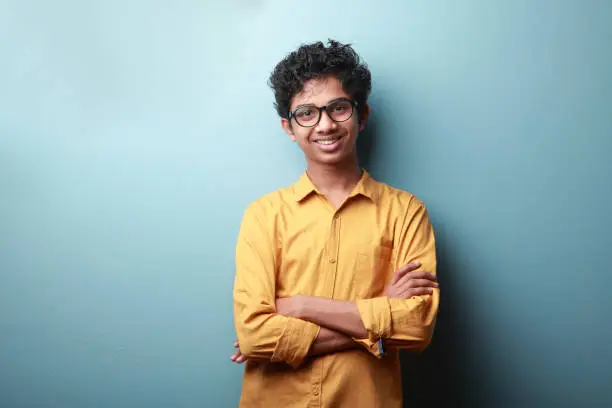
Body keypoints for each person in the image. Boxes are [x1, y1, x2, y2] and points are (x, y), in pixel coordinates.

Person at [230, 39, 440, 408]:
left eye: (338, 108)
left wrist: (299, 306)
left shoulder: (407, 212)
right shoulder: (264, 215)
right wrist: (375, 322)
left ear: (362, 115)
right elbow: (253, 335)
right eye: (307, 113)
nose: (325, 124)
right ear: (288, 127)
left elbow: (416, 327)